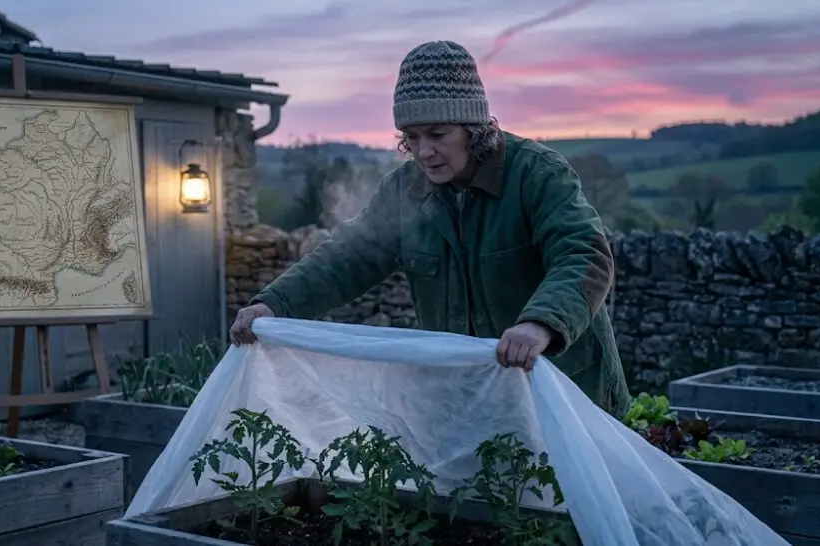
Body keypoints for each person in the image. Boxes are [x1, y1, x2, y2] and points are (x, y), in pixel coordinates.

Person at [229, 40, 630, 417]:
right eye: (412, 137)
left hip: (568, 395)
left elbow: (582, 253)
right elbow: (347, 257)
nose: (423, 152)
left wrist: (539, 323)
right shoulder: (406, 190)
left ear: (473, 129)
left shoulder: (537, 175)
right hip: (469, 397)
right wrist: (274, 304)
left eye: (438, 135)